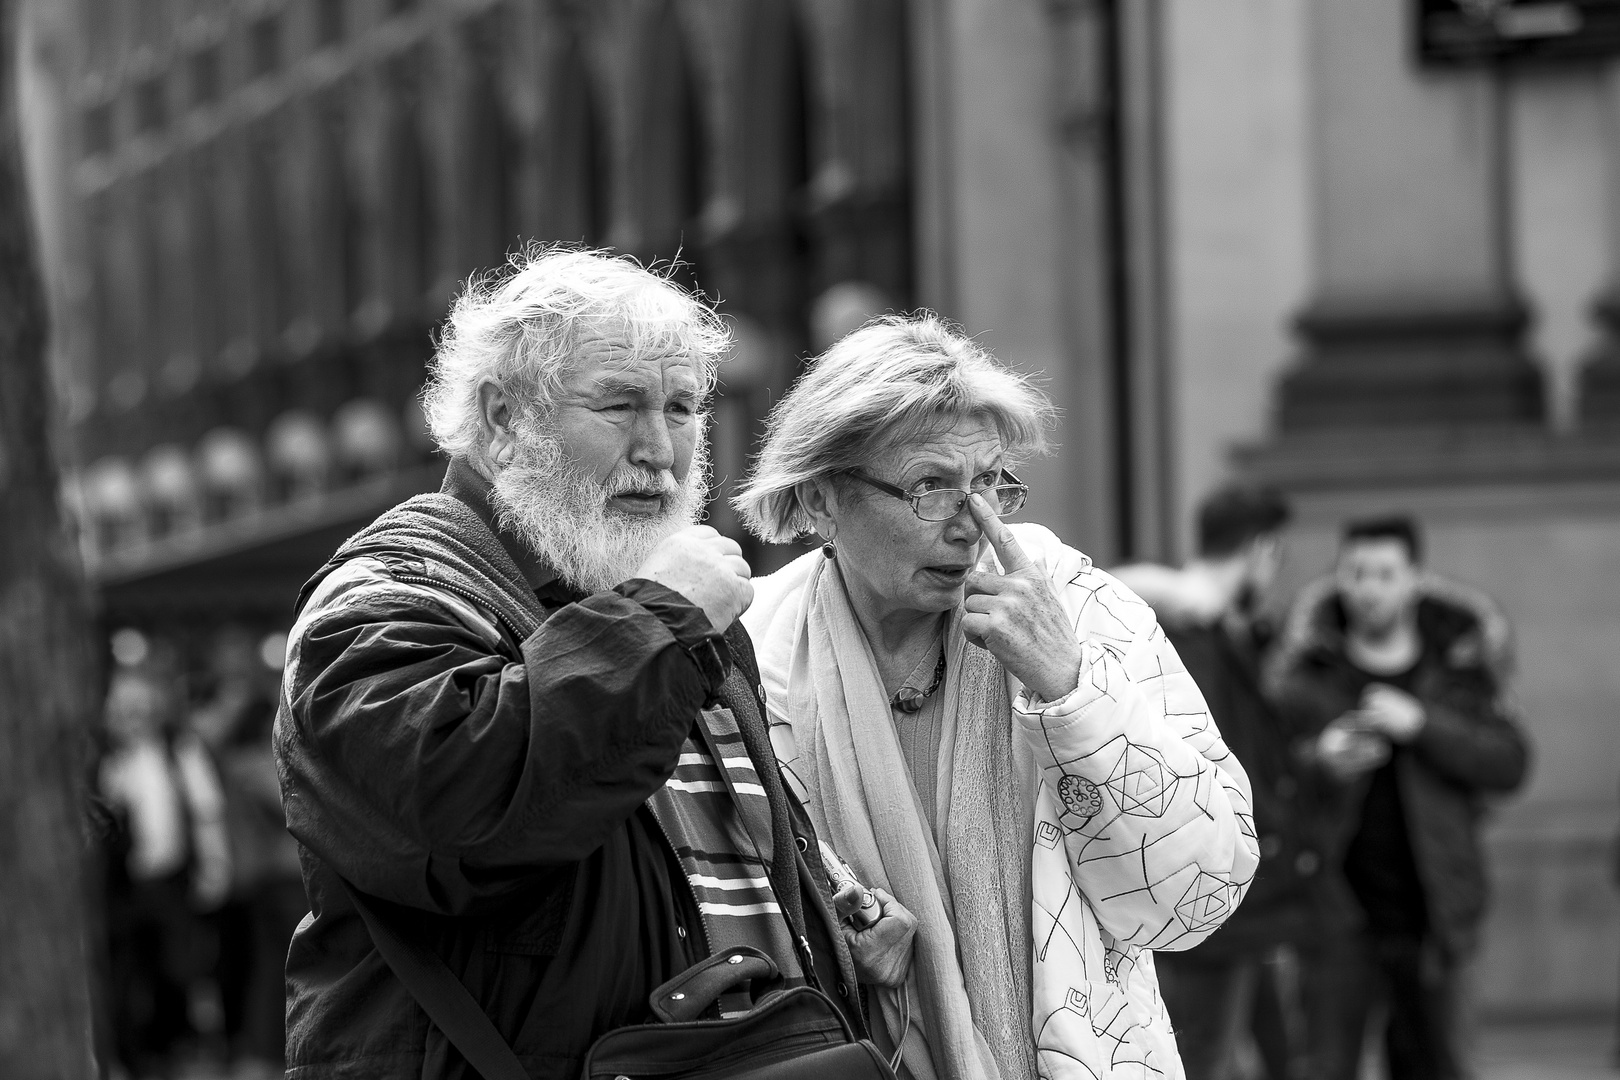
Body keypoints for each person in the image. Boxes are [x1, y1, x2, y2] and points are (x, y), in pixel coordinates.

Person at [273, 248, 914, 1080]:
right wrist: (661, 617)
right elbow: (465, 811)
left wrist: (835, 918)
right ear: (503, 420)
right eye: (619, 405)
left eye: (682, 408)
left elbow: (685, 847)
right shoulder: (385, 597)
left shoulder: (653, 598)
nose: (661, 448)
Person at [734, 314, 1260, 1080]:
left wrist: (1070, 689)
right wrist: (831, 932)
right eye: (931, 486)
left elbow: (1202, 891)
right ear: (821, 498)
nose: (971, 523)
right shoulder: (750, 652)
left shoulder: (1075, 605)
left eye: (988, 481)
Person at [1271, 515, 1529, 1080]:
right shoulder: (1307, 672)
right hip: (1337, 913)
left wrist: (1423, 724)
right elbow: (1260, 775)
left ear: (1414, 579)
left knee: (1443, 1066)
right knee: (1323, 1066)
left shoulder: (1459, 669)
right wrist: (1321, 758)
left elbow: (1510, 763)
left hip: (1439, 916)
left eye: (1385, 574)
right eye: (1357, 573)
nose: (1369, 589)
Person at [1113, 484, 1323, 1080]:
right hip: (1212, 897)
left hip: (1234, 900)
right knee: (1202, 1060)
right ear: (1262, 550)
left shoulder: (1211, 628)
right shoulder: (1192, 631)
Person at [97, 648, 231, 1078]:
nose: (134, 715)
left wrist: (214, 865)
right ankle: (133, 1056)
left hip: (172, 880)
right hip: (124, 887)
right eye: (124, 708)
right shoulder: (107, 759)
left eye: (141, 706)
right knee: (126, 975)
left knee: (181, 969)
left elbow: (207, 810)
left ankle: (182, 1048)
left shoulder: (177, 748)